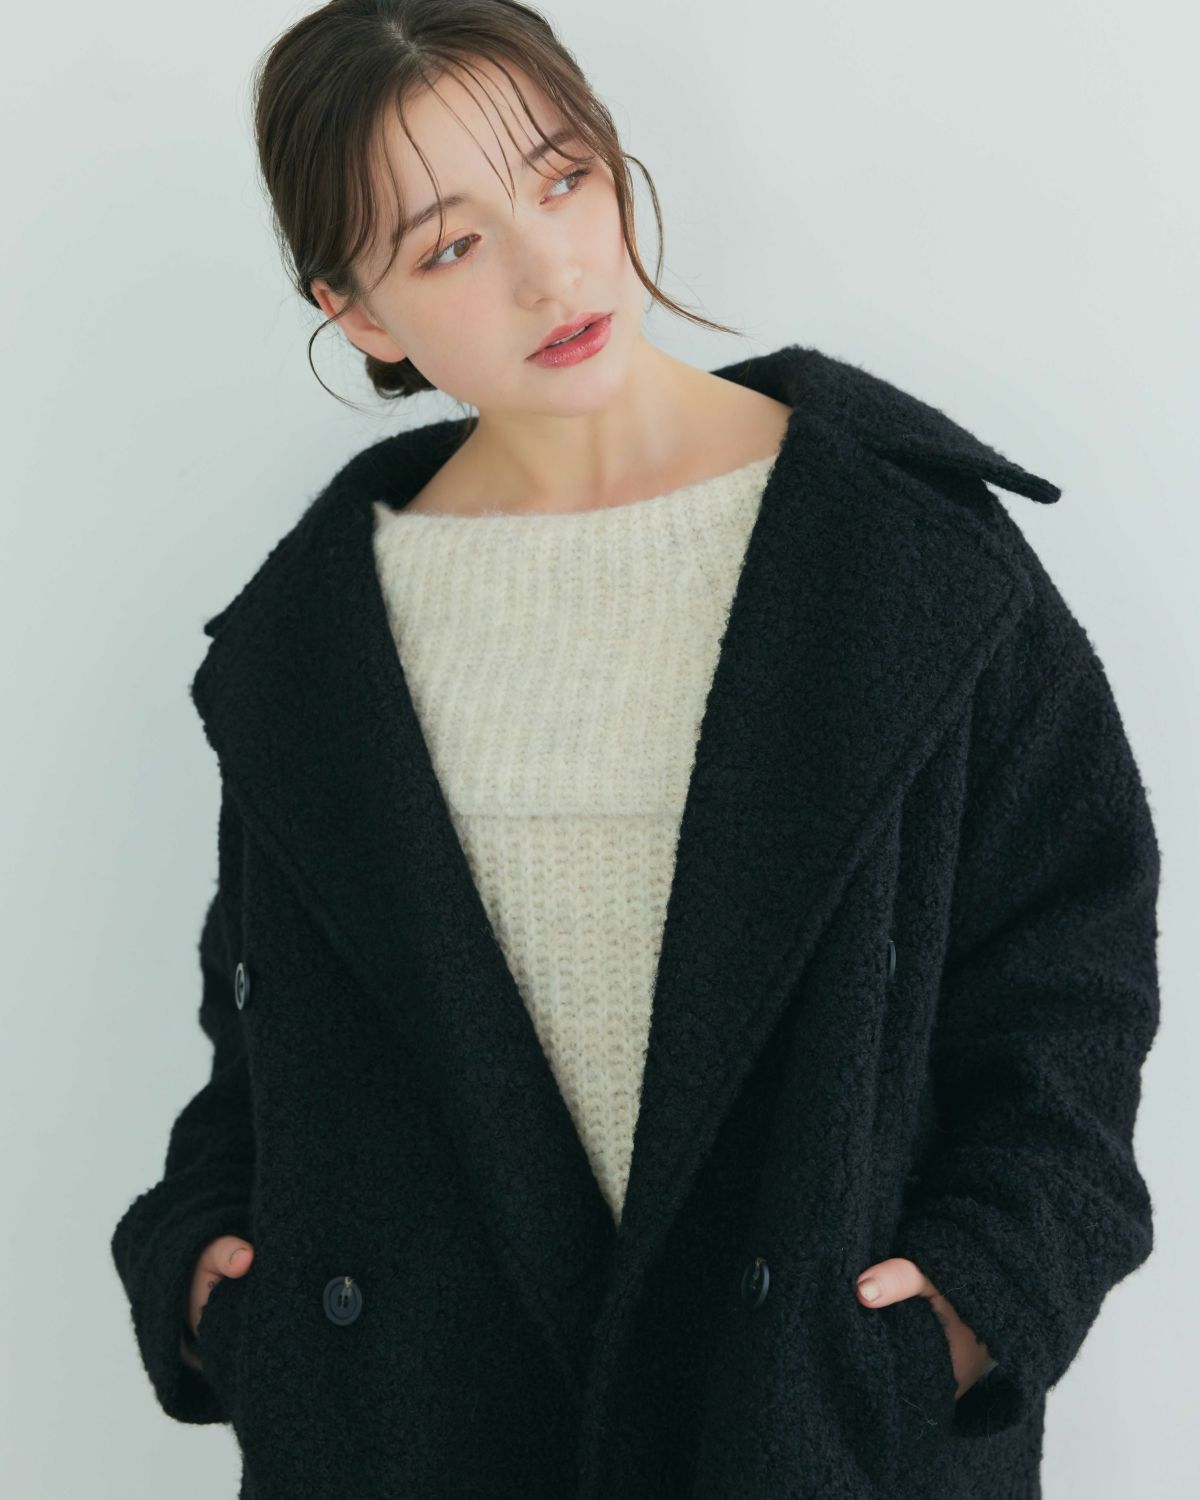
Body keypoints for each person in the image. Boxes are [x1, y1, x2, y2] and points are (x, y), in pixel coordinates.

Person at [110, 4, 1159, 1497]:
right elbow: (265, 1041)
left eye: (563, 178)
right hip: (415, 1442)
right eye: (449, 246)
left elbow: (1070, 975)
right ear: (359, 313)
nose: (552, 271)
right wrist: (206, 1273)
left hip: (812, 1436)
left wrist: (977, 1301)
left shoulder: (904, 551)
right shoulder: (318, 640)